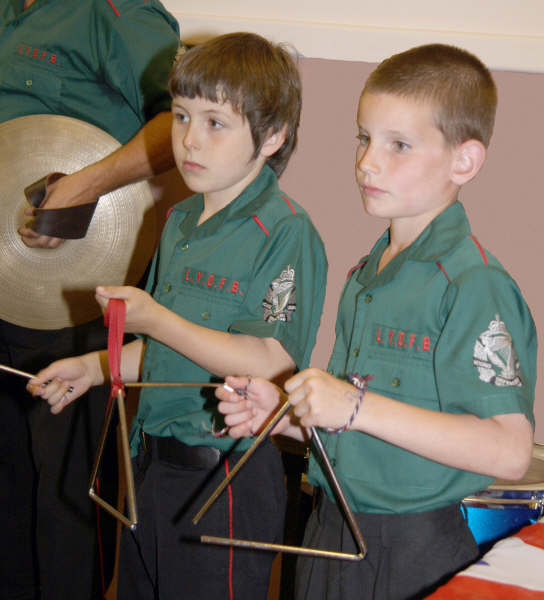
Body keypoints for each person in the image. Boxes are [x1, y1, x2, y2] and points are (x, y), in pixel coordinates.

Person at [216, 43, 537, 600]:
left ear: (463, 161)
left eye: (399, 145)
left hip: (413, 548)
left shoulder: (472, 284)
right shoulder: (369, 274)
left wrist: (355, 405)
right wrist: (285, 416)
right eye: (364, 138)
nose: (367, 161)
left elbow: (508, 451)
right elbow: (356, 430)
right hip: (331, 529)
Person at [28, 32, 328, 599]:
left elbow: (267, 359)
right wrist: (95, 367)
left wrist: (156, 319)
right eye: (183, 116)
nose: (190, 139)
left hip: (224, 477)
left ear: (273, 137)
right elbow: (175, 352)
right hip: (151, 468)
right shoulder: (181, 220)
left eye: (216, 123)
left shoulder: (287, 232)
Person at [0, 1, 180, 599]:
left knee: (67, 498)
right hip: (2, 275)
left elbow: (183, 124)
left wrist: (81, 187)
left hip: (72, 291)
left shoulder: (117, 13)